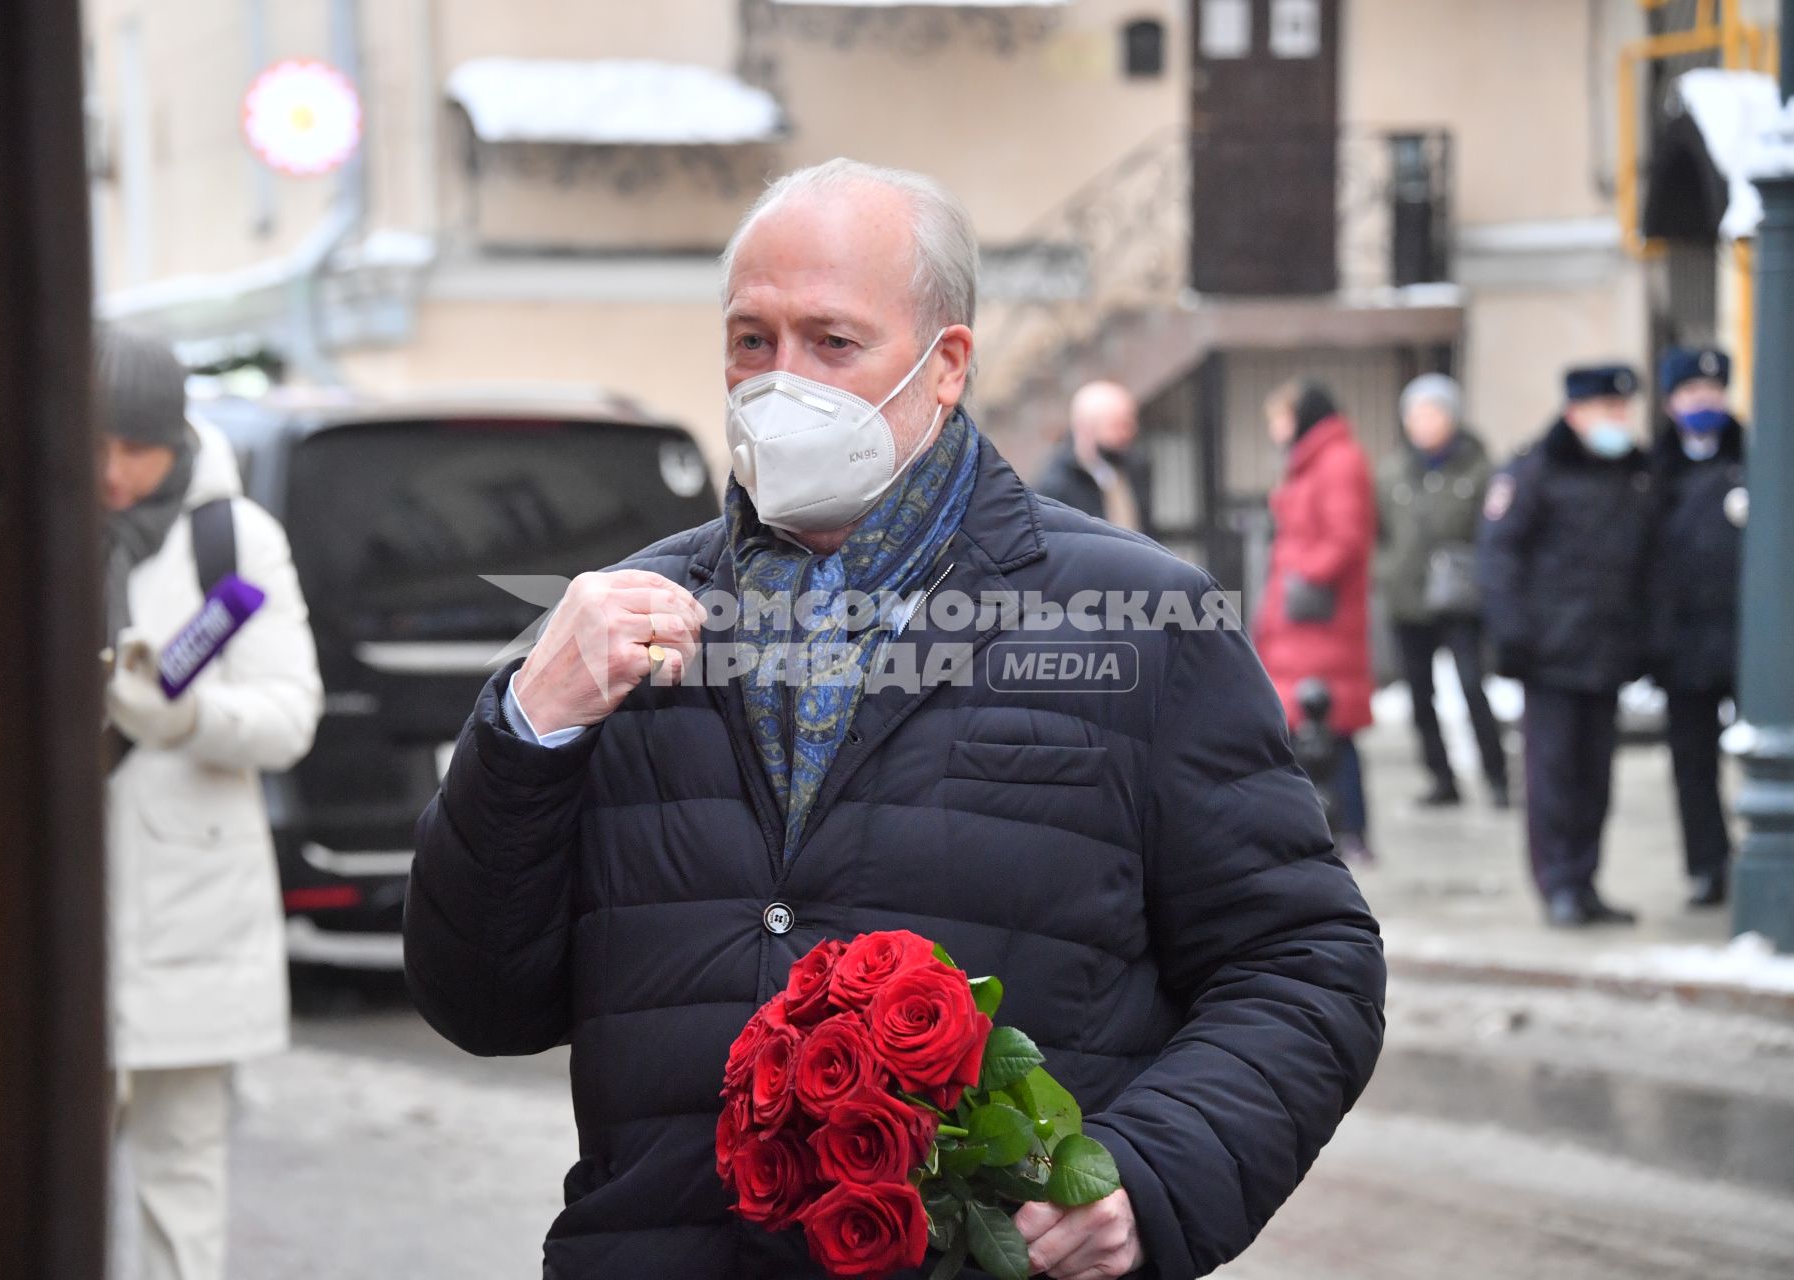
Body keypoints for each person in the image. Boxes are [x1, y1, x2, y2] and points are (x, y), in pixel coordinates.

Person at [405, 160, 1385, 1280]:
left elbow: (1303, 958)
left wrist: (1150, 1176)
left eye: (832, 343)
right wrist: (529, 730)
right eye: (750, 341)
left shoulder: (1137, 618)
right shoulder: (624, 622)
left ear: (946, 366)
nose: (780, 385)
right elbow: (478, 998)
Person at [99, 327, 322, 1280]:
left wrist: (179, 717)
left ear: (175, 437)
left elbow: (288, 717)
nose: (113, 472)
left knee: (180, 1181)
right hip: (46, 917)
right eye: (95, 443)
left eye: (136, 447)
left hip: (185, 912)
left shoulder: (231, 539)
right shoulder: (15, 521)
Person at [1478, 364, 1656, 928]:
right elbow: (1499, 556)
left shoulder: (1634, 473)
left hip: (1607, 651)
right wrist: (1513, 636)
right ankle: (1557, 883)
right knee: (1552, 778)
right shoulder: (1534, 471)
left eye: (1623, 410)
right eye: (1608, 409)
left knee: (1596, 780)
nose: (1618, 421)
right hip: (1550, 654)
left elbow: (1648, 563)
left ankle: (1586, 880)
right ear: (1576, 412)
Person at [1255, 380, 1378, 862]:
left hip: (1319, 619)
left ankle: (1351, 830)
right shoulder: (1311, 461)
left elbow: (1348, 538)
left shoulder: (1337, 461)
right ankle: (1319, 828)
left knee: (1332, 728)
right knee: (1305, 731)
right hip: (1299, 620)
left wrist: (1304, 578)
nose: (1275, 430)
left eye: (1280, 418)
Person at [1374, 373, 1510, 808]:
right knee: (1419, 695)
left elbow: (1495, 533)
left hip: (1462, 600)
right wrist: (1387, 571)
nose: (1423, 422)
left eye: (1432, 412)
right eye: (1415, 413)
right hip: (1408, 601)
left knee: (1472, 687)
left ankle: (1497, 776)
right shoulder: (1392, 471)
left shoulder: (1480, 468)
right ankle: (1440, 778)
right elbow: (1378, 533)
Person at [1649, 347, 1745, 908]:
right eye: (1691, 395)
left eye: (1713, 393)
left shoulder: (1756, 453)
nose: (1703, 403)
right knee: (1692, 764)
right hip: (1682, 641)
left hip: (1747, 639)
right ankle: (1708, 866)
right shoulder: (1655, 468)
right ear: (1671, 402)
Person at [1033, 379, 1153, 532]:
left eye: (1130, 423)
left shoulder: (1135, 466)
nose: (1129, 432)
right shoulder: (1057, 481)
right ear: (1085, 428)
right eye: (1118, 425)